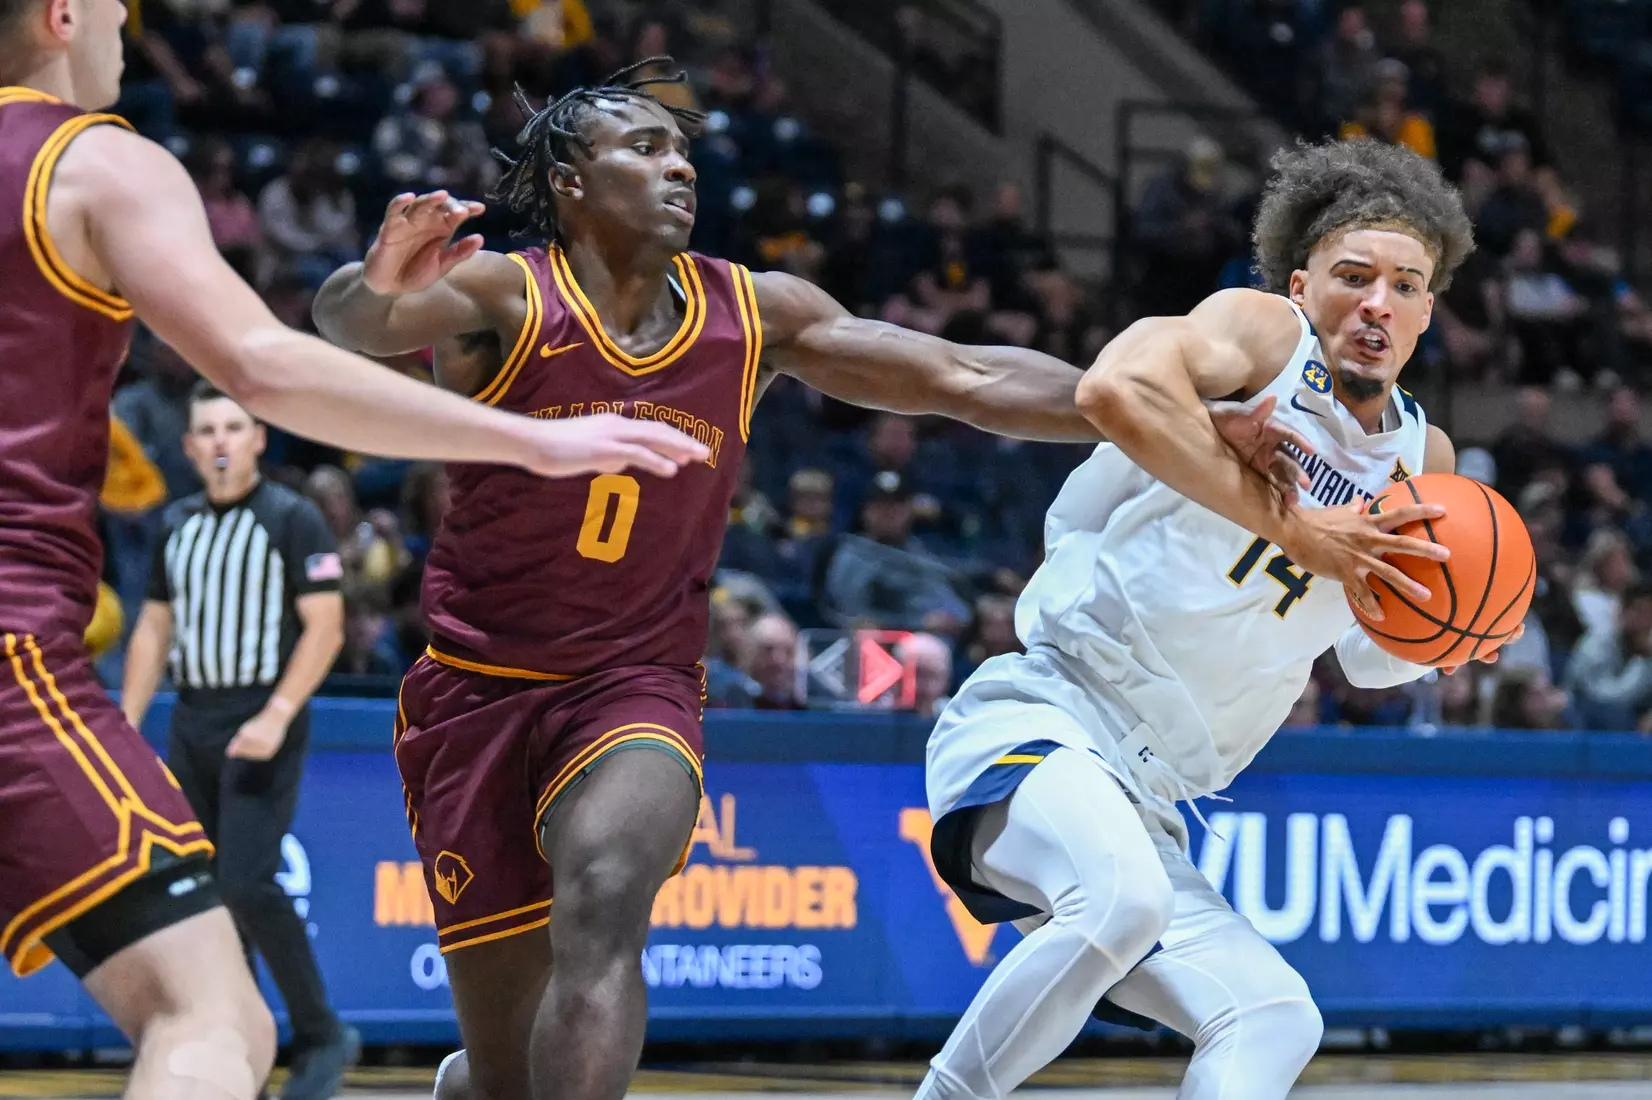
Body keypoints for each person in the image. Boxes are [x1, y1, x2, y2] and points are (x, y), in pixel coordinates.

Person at [308, 59, 1307, 1100]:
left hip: (632, 684)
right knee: (511, 1075)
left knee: (607, 893)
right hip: (476, 691)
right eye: (642, 147)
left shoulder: (752, 311)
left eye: (681, 148)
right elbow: (353, 325)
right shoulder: (504, 295)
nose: (677, 164)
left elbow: (959, 376)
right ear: (568, 180)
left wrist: (1156, 420)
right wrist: (376, 280)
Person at [0, 1, 705, 1096]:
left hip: (271, 712)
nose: (129, 35)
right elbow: (271, 361)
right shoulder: (90, 161)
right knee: (209, 1016)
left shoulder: (736, 310)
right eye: (118, 14)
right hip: (33, 662)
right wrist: (533, 439)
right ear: (61, 15)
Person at [917, 139, 1519, 1100]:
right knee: (1118, 899)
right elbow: (1112, 388)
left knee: (1276, 1015)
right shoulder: (1260, 338)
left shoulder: (1424, 455)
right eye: (1353, 277)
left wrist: (1458, 638)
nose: (1378, 303)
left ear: (1428, 313)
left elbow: (1365, 658)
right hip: (1051, 715)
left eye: (1407, 285)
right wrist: (1298, 527)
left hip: (1153, 801)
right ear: (1300, 281)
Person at [120, 384, 356, 1100]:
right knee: (208, 901)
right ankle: (240, 1043)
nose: (220, 440)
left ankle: (320, 1033)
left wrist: (278, 714)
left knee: (249, 880)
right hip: (194, 718)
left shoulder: (293, 519)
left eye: (233, 426)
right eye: (206, 431)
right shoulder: (178, 524)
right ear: (188, 448)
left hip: (262, 715)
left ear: (257, 438)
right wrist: (125, 731)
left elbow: (326, 627)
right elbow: (154, 628)